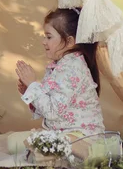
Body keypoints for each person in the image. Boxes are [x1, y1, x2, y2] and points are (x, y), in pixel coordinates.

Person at [15, 8, 105, 138]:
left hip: (81, 138)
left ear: (69, 42)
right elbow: (47, 107)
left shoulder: (72, 68)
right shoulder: (60, 65)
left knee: (27, 144)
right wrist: (29, 89)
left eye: (49, 37)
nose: (43, 41)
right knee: (15, 142)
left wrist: (33, 85)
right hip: (62, 134)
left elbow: (52, 112)